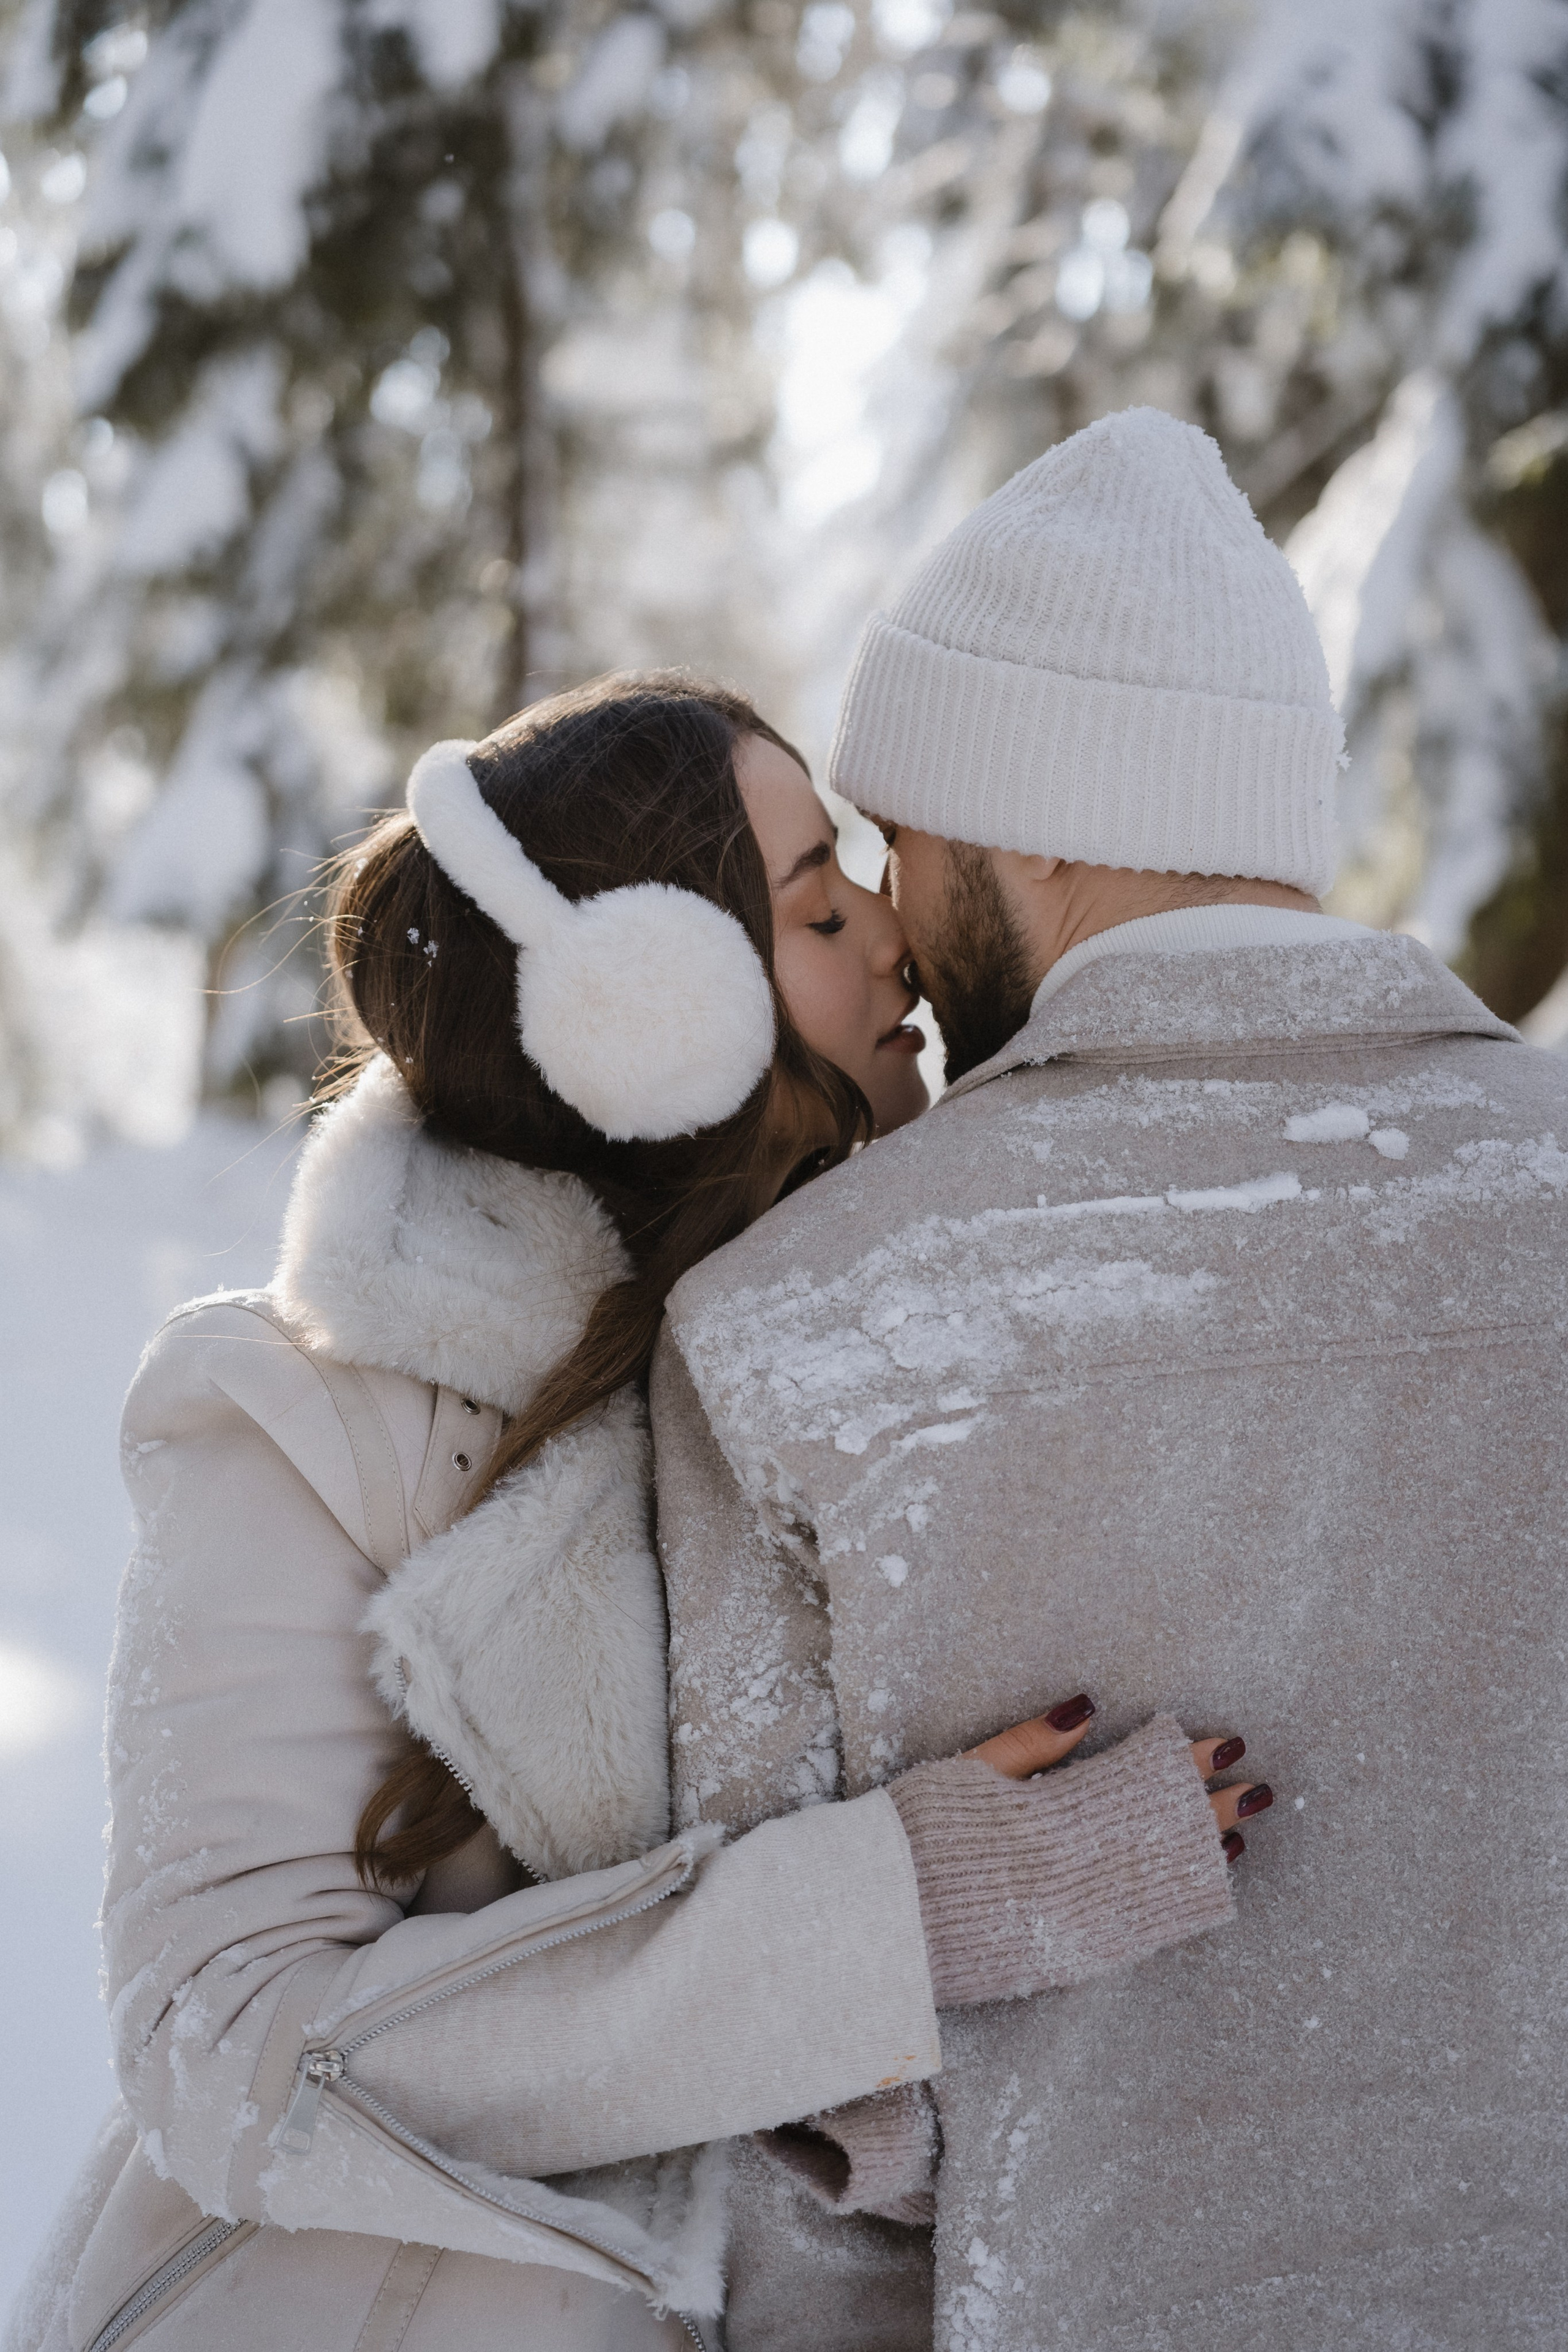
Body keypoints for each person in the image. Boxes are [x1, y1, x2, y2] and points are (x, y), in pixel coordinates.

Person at [6, 675, 1254, 2352]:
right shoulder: (304, 1422)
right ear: (650, 1011)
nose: (896, 939)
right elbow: (227, 2048)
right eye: (820, 904)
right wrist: (895, 1913)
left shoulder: (895, 1382)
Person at [651, 409, 1568, 2349]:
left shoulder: (798, 1326)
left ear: (1048, 812)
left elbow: (790, 2101)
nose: (892, 913)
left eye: (906, 841)